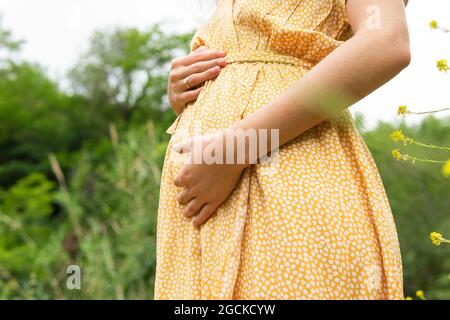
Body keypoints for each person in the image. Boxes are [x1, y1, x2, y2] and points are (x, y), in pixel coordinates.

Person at [155, 0, 410, 300]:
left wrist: (239, 147)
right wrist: (185, 93)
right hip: (202, 214)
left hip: (286, 185)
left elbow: (386, 41)